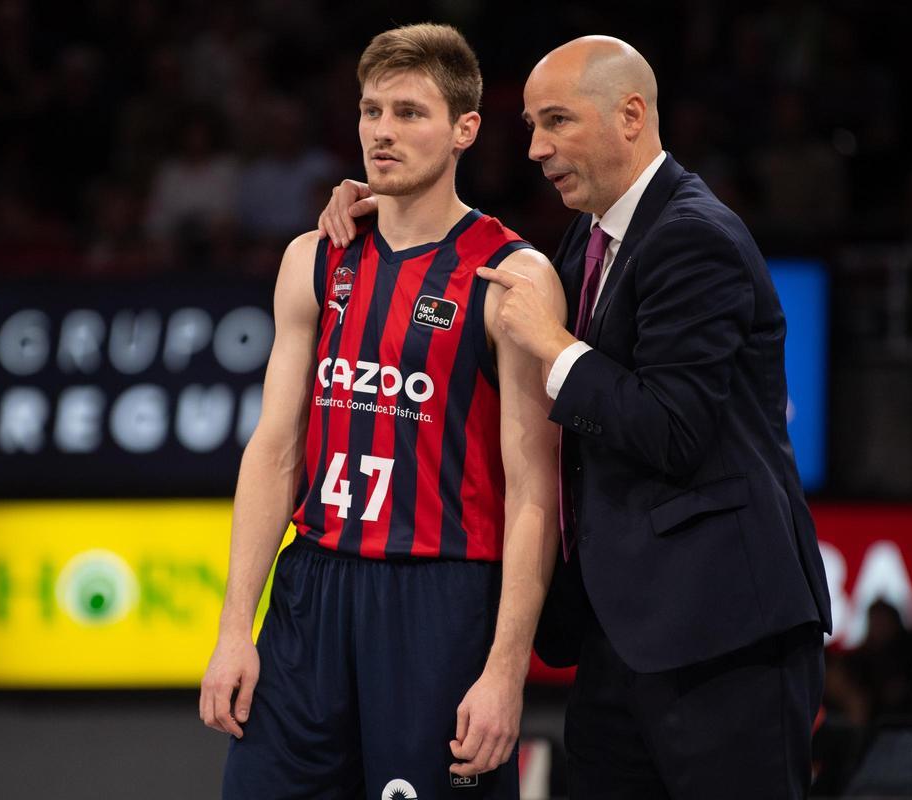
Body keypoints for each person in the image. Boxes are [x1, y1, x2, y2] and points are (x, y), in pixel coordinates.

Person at [319, 34, 832, 800]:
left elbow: (674, 429)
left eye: (556, 122)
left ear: (630, 115)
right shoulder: (588, 240)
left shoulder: (696, 238)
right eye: (530, 125)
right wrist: (383, 202)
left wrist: (555, 347)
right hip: (619, 639)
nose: (535, 147)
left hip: (721, 636)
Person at [200, 23, 563, 799]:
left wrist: (506, 673)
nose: (383, 133)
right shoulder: (315, 254)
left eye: (408, 112)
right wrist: (236, 629)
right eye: (371, 112)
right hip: (311, 589)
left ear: (465, 129)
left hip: (441, 598)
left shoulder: (511, 274)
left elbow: (535, 492)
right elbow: (272, 449)